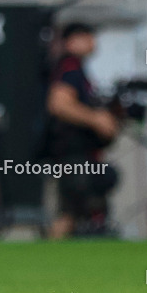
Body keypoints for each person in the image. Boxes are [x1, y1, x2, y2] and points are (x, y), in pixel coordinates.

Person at [44, 23, 120, 239]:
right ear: (72, 41)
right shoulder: (69, 66)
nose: (93, 43)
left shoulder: (76, 68)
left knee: (78, 208)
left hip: (80, 151)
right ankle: (48, 251)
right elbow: (58, 103)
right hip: (71, 151)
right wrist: (95, 119)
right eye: (87, 37)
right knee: (70, 209)